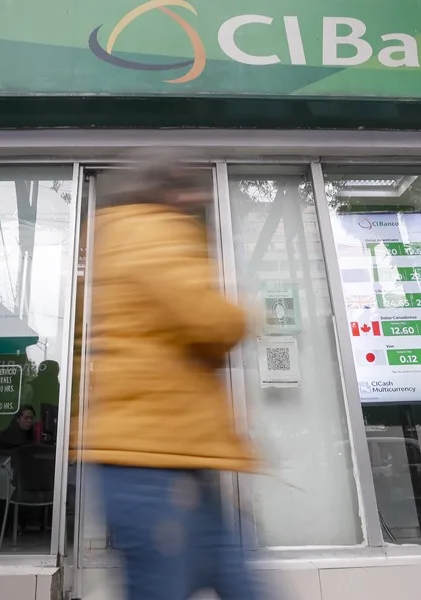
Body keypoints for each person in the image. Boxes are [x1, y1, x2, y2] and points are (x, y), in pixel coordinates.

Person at [81, 154, 259, 600]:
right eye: (186, 185)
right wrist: (246, 314)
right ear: (163, 190)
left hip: (167, 449)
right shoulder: (153, 231)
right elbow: (211, 322)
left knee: (240, 582)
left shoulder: (119, 236)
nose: (198, 196)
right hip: (153, 455)